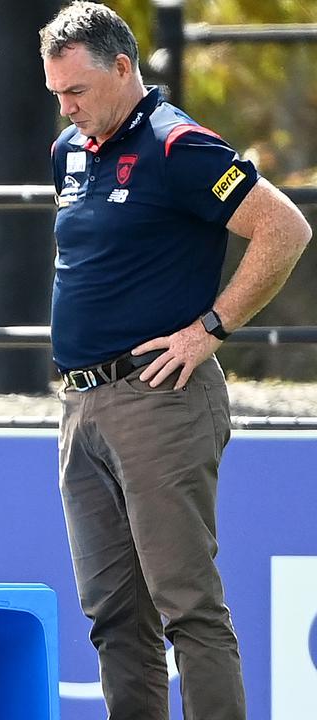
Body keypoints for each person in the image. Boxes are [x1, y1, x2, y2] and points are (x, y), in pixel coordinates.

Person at [40, 4, 312, 718]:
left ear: (123, 68)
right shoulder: (69, 149)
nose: (68, 108)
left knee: (187, 608)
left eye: (78, 91)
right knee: (112, 619)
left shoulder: (176, 145)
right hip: (81, 406)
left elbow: (284, 227)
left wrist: (211, 328)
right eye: (58, 95)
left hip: (159, 400)